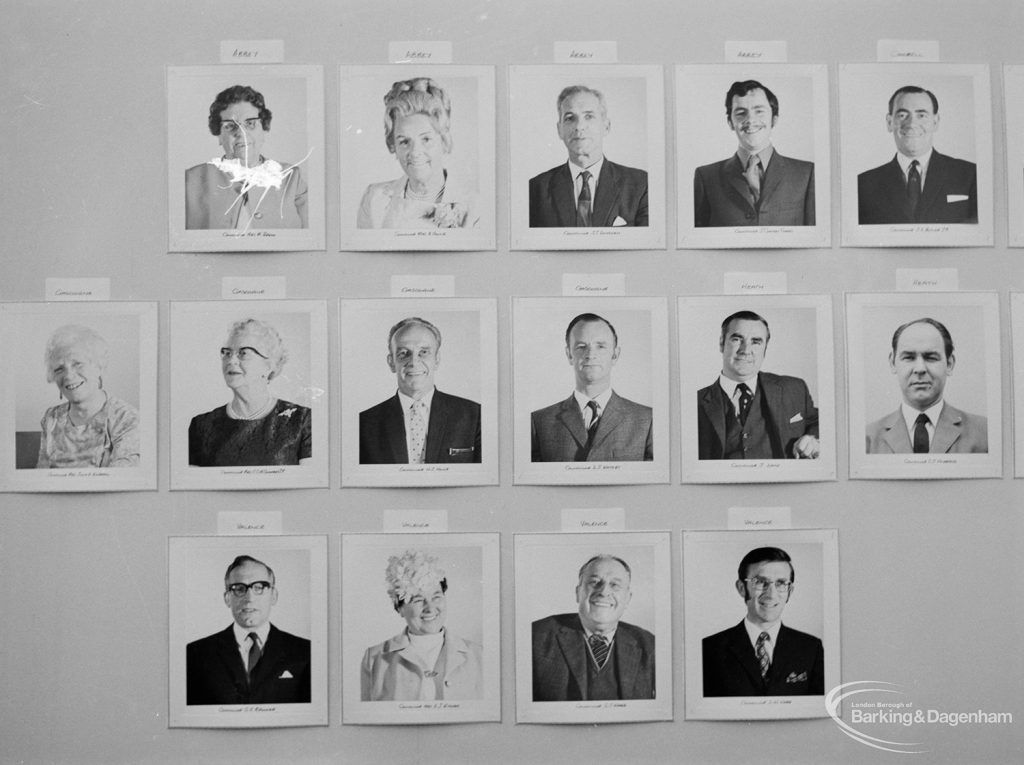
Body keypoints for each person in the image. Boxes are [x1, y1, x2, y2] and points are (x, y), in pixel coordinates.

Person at [186, 555, 311, 705]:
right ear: (227, 598)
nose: (249, 598)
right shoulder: (195, 655)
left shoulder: (306, 651)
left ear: (274, 596)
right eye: (239, 589)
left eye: (259, 587)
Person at [357, 77, 479, 229]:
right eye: (404, 142)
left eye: (426, 139)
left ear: (443, 140)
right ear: (393, 144)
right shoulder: (374, 199)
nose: (415, 152)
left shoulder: (475, 207)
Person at [361, 550, 483, 701]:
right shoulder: (374, 659)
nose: (430, 608)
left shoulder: (480, 656)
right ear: (399, 608)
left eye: (436, 597)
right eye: (418, 600)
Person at [697, 311, 820, 460]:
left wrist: (813, 438)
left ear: (765, 349)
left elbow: (819, 422)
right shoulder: (694, 403)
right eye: (737, 339)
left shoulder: (794, 388)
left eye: (756, 342)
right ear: (722, 343)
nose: (746, 350)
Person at [188, 318, 312, 466]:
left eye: (244, 353)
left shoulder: (301, 420)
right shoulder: (201, 426)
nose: (231, 361)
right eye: (227, 353)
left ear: (270, 365)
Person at [702, 547, 824, 697]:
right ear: (741, 588)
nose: (771, 594)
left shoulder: (811, 648)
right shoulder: (709, 649)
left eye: (781, 583)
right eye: (760, 582)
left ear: (790, 591)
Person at [531, 313, 653, 462]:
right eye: (581, 347)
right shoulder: (538, 422)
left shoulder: (647, 420)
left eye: (600, 346)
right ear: (569, 355)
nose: (590, 354)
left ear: (615, 355)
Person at [532, 554, 655, 701]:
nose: (603, 592)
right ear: (578, 592)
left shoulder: (650, 645)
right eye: (594, 582)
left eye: (615, 585)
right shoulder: (534, 638)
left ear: (628, 598)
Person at [185, 84, 308, 230]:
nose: (241, 133)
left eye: (250, 123)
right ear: (219, 135)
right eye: (230, 126)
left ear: (264, 130)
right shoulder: (190, 180)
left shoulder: (291, 177)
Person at [359, 317, 481, 464]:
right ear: (391, 362)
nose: (414, 362)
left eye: (423, 352)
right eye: (404, 353)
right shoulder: (363, 424)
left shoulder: (475, 416)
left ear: (437, 360)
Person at [694, 80, 815, 227]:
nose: (750, 120)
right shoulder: (705, 177)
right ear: (730, 122)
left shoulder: (806, 173)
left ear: (774, 119)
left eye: (759, 111)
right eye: (741, 113)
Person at [529, 85, 648, 227]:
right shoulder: (535, 189)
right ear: (559, 130)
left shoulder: (641, 184)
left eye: (589, 116)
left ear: (606, 127)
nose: (579, 126)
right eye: (570, 118)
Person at [857, 85, 977, 225]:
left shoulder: (971, 175)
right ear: (889, 123)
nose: (912, 123)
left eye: (921, 115)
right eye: (902, 115)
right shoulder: (864, 184)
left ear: (935, 122)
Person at [866, 317, 988, 454]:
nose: (919, 369)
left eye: (931, 357)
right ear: (893, 363)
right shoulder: (868, 439)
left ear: (949, 364)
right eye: (909, 357)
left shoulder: (985, 434)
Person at [35, 324, 140, 469]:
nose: (69, 376)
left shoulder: (126, 417)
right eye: (59, 369)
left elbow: (121, 482)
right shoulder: (51, 417)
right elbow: (40, 477)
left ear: (99, 367)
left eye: (78, 364)